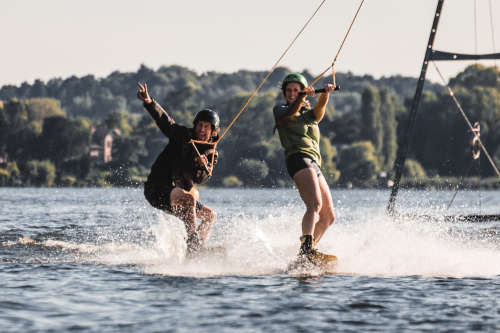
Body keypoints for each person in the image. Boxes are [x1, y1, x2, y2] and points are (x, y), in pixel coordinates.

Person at [137, 82, 219, 254]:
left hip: (179, 196)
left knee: (210, 216)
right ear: (195, 125)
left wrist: (201, 166)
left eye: (207, 127)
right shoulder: (181, 135)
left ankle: (196, 250)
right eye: (200, 125)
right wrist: (149, 102)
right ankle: (192, 243)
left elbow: (201, 179)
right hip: (157, 188)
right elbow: (165, 121)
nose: (202, 129)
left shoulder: (211, 153)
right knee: (189, 199)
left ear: (213, 132)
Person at [273, 73, 336, 264]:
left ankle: (307, 253)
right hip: (298, 159)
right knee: (315, 205)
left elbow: (320, 110)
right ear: (284, 93)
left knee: (328, 217)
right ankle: (306, 248)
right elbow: (290, 112)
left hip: (314, 163)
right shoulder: (281, 110)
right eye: (289, 90)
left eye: (296, 90)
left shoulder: (308, 115)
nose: (292, 93)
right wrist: (301, 97)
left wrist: (325, 93)